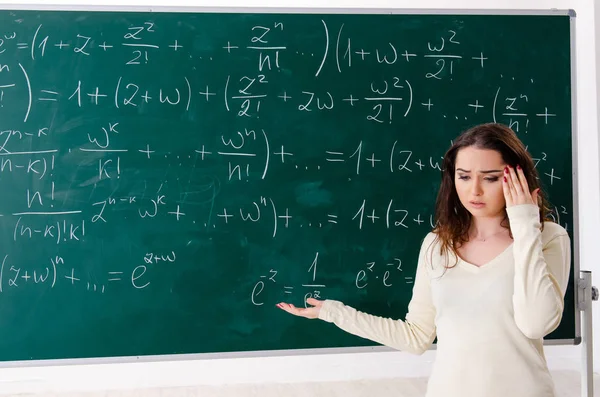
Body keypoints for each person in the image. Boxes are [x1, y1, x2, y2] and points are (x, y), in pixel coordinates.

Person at [276, 123, 571, 397]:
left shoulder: (548, 238)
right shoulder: (437, 245)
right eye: (464, 176)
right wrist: (333, 312)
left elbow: (537, 324)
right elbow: (416, 336)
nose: (475, 190)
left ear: (517, 179)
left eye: (491, 178)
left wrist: (525, 224)